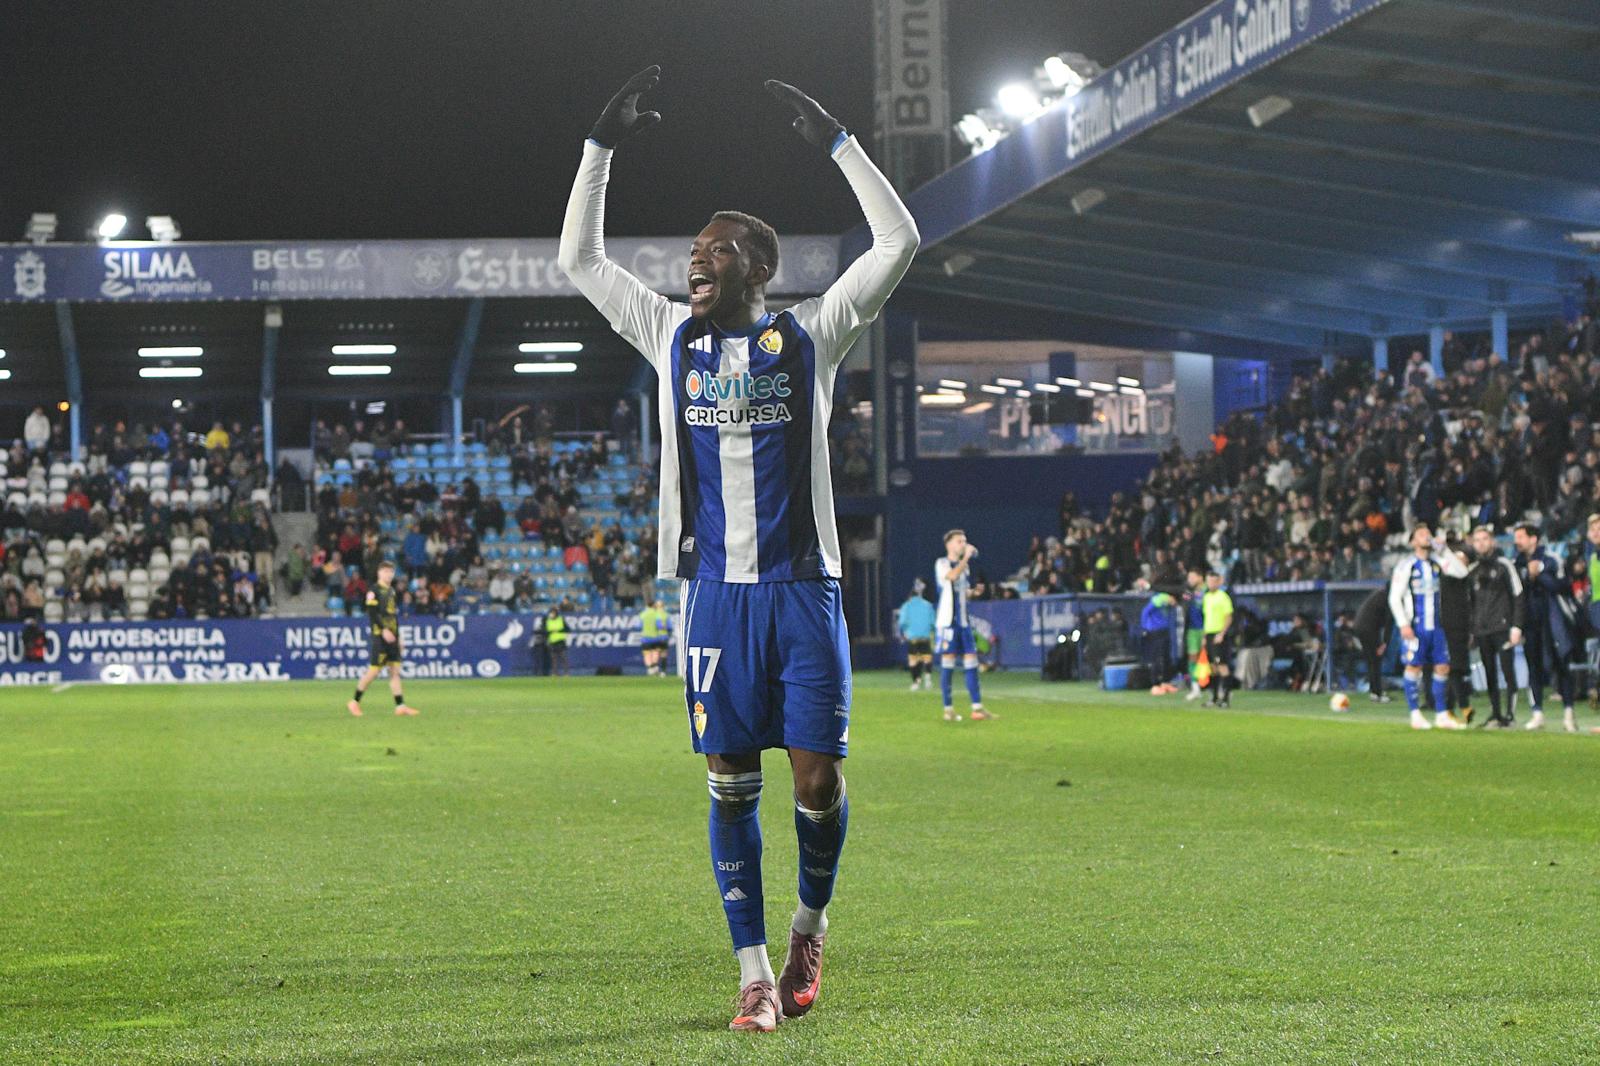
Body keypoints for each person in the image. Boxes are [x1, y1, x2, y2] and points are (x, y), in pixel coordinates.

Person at [558, 66, 917, 1032]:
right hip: (715, 597)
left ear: (759, 267)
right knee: (729, 781)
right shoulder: (668, 336)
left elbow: (900, 241)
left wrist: (839, 143)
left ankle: (809, 927)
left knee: (817, 780)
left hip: (805, 591)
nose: (695, 262)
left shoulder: (814, 336)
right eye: (693, 251)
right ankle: (754, 972)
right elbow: (581, 262)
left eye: (716, 252)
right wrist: (600, 148)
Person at [1388, 524, 1468, 730]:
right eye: (1421, 534)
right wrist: (1403, 624)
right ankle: (1415, 714)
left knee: (1443, 666)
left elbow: (1461, 572)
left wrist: (1445, 550)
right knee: (1414, 666)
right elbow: (1394, 597)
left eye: (1428, 534)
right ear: (1413, 541)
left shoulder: (1437, 561)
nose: (1426, 537)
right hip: (1416, 626)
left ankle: (1441, 714)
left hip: (1437, 627)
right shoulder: (1406, 565)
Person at [1512, 523, 1579, 731]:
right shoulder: (1517, 563)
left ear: (1533, 539)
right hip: (1531, 622)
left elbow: (1563, 586)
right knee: (1533, 666)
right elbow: (1517, 594)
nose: (1517, 541)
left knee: (1561, 664)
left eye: (1521, 537)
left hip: (1553, 620)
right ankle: (1537, 713)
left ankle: (1569, 713)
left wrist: (1539, 574)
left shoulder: (1551, 559)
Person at [346, 560, 419, 717]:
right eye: (385, 572)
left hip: (393, 636)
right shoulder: (374, 590)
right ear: (379, 573)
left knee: (395, 671)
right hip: (380, 636)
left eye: (391, 572)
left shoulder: (391, 591)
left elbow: (393, 616)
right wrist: (384, 629)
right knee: (373, 671)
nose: (388, 575)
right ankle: (354, 702)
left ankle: (400, 706)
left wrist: (398, 637)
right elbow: (372, 613)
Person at [1467, 525, 1524, 729]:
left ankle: (1510, 715)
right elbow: (1470, 603)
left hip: (1503, 627)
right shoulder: (1472, 571)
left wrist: (1517, 626)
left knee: (1508, 671)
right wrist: (1472, 630)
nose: (1481, 543)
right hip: (1482, 629)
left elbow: (1518, 595)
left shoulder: (1504, 565)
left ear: (1492, 541)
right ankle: (1495, 713)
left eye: (1484, 539)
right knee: (1489, 672)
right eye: (1477, 540)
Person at [935, 530, 990, 722]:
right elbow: (950, 577)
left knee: (972, 662)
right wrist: (966, 557)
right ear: (949, 544)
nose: (963, 544)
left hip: (963, 622)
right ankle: (948, 708)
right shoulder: (941, 563)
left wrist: (974, 592)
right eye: (960, 541)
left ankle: (977, 707)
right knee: (948, 663)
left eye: (964, 541)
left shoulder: (963, 568)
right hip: (948, 623)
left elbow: (961, 592)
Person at [1439, 535, 1475, 722]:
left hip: (1462, 627)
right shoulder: (1448, 576)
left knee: (1458, 668)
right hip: (1448, 626)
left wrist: (1471, 630)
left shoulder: (1466, 580)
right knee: (1455, 667)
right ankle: (1463, 705)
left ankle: (1449, 708)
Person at [1352, 586, 1392, 703]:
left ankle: (1374, 691)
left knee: (1371, 661)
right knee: (1375, 660)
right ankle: (1377, 693)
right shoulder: (1389, 597)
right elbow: (1389, 621)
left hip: (1360, 626)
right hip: (1368, 628)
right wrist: (1384, 642)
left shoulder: (1379, 594)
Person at [1200, 570, 1235, 707]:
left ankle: (1226, 698)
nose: (1211, 584)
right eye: (1208, 581)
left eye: (1213, 581)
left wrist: (1221, 633)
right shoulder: (1207, 597)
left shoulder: (1223, 597)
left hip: (1219, 635)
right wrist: (1204, 636)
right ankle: (1214, 697)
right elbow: (1206, 618)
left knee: (1222, 666)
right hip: (1209, 634)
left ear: (1219, 582)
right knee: (1212, 667)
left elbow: (1229, 617)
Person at [895, 580, 935, 692]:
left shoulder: (906, 606)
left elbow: (902, 622)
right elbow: (933, 622)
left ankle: (916, 682)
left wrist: (904, 633)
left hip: (912, 637)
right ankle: (928, 679)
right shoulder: (928, 605)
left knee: (913, 660)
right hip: (925, 636)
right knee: (927, 658)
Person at [1139, 590, 1176, 688]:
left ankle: (1165, 682)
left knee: (1165, 656)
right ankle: (1155, 683)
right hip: (1156, 631)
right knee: (1157, 657)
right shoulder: (1160, 599)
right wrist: (1145, 628)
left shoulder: (1167, 603)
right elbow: (1145, 611)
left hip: (1164, 630)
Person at [1182, 568, 1208, 701]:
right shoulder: (1188, 592)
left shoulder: (1207, 591)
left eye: (1192, 577)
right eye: (1188, 578)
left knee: (1212, 659)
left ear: (1200, 577)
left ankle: (1218, 687)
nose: (1189, 580)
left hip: (1206, 629)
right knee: (1192, 658)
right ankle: (1195, 688)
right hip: (1192, 630)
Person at [638, 598, 671, 677]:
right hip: (656, 638)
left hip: (645, 638)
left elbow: (639, 626)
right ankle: (656, 666)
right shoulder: (657, 614)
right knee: (656, 652)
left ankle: (650, 668)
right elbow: (660, 626)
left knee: (647, 653)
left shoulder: (642, 614)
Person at [545, 606, 569, 677]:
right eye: (550, 613)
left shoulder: (561, 620)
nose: (551, 614)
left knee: (563, 657)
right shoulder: (548, 621)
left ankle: (566, 673)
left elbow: (567, 629)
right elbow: (547, 631)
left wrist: (558, 631)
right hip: (552, 641)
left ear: (556, 613)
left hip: (560, 641)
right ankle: (555, 673)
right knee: (553, 658)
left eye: (552, 613)